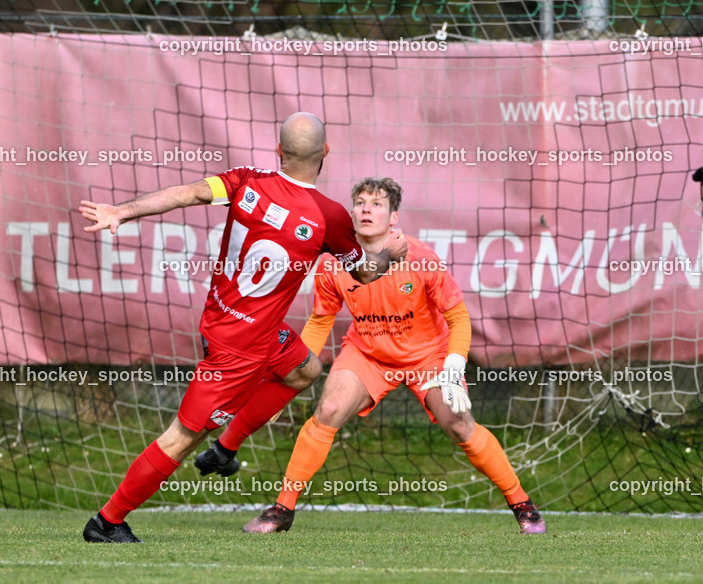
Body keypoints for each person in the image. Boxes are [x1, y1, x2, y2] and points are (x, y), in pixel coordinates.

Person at [79, 113, 408, 542]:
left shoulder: (244, 180)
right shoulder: (328, 216)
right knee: (181, 438)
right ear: (326, 152)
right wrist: (392, 254)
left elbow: (187, 193)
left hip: (234, 322)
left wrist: (121, 210)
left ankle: (225, 448)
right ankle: (107, 521)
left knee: (305, 370)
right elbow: (365, 273)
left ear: (279, 151)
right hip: (238, 350)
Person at [240, 177, 546, 535]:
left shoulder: (420, 257)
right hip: (367, 353)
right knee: (328, 411)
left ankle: (523, 505)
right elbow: (320, 321)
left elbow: (458, 318)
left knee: (461, 424)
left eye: (377, 203)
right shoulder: (333, 264)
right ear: (351, 212)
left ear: (394, 217)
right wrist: (289, 380)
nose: (367, 208)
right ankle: (282, 510)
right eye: (360, 202)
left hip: (429, 356)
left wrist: (453, 365)